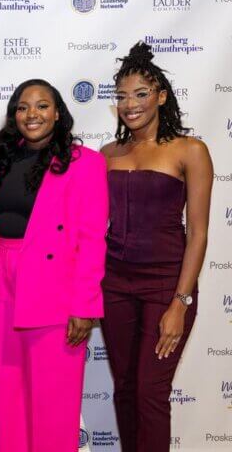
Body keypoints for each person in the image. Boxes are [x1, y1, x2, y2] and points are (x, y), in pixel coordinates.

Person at [0, 79, 108, 451]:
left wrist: (84, 308)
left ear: (57, 113)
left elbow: (91, 239)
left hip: (55, 288)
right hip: (0, 282)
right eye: (22, 107)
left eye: (41, 106)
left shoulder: (85, 163)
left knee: (54, 402)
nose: (31, 114)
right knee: (5, 398)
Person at [99, 42, 212, 452]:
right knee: (125, 389)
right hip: (114, 284)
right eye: (122, 96)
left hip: (166, 284)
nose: (131, 105)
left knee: (150, 391)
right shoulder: (107, 154)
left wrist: (180, 301)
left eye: (141, 94)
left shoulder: (190, 150)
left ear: (161, 96)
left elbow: (197, 232)